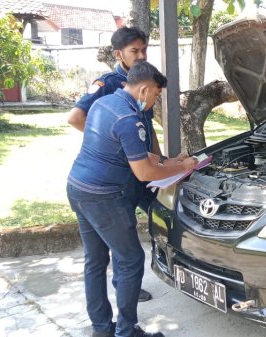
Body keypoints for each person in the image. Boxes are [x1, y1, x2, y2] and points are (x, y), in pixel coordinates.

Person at [67, 61, 197, 337]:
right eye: (156, 96)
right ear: (145, 90)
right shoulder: (130, 118)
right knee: (130, 260)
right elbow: (144, 172)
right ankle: (127, 332)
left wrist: (169, 161)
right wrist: (183, 168)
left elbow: (137, 153)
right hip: (104, 197)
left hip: (78, 187)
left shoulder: (105, 104)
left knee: (95, 260)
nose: (153, 102)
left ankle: (102, 329)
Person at [68, 26, 160, 302]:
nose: (142, 55)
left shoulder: (145, 79)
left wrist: (161, 157)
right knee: (122, 236)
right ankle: (125, 286)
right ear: (118, 54)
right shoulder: (108, 83)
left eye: (144, 49)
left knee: (163, 211)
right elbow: (76, 117)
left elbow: (148, 126)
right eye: (135, 51)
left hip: (142, 170)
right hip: (116, 177)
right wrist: (116, 146)